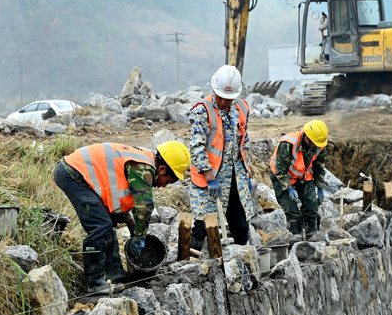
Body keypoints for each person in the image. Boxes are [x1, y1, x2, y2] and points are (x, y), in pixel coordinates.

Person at [54, 141, 190, 294]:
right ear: (163, 169)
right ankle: (95, 283)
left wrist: (132, 224)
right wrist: (139, 236)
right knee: (100, 226)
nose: (164, 186)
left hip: (80, 174)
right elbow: (144, 207)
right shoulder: (143, 168)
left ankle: (115, 272)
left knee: (108, 222)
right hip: (72, 174)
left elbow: (118, 197)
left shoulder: (142, 161)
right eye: (168, 181)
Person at [188, 65, 257, 251]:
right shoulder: (202, 110)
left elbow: (244, 143)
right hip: (210, 179)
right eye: (220, 98)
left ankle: (243, 264)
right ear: (213, 89)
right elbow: (196, 147)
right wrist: (210, 177)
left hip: (235, 178)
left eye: (228, 99)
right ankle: (188, 262)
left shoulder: (242, 108)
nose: (224, 103)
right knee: (204, 225)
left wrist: (246, 175)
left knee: (241, 228)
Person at [270, 120, 328, 237]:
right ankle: (296, 240)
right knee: (292, 210)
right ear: (307, 138)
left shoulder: (319, 146)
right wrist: (289, 188)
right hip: (282, 177)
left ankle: (313, 238)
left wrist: (320, 187)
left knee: (311, 206)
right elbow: (280, 171)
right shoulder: (288, 144)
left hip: (303, 177)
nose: (316, 147)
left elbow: (319, 168)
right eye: (315, 144)